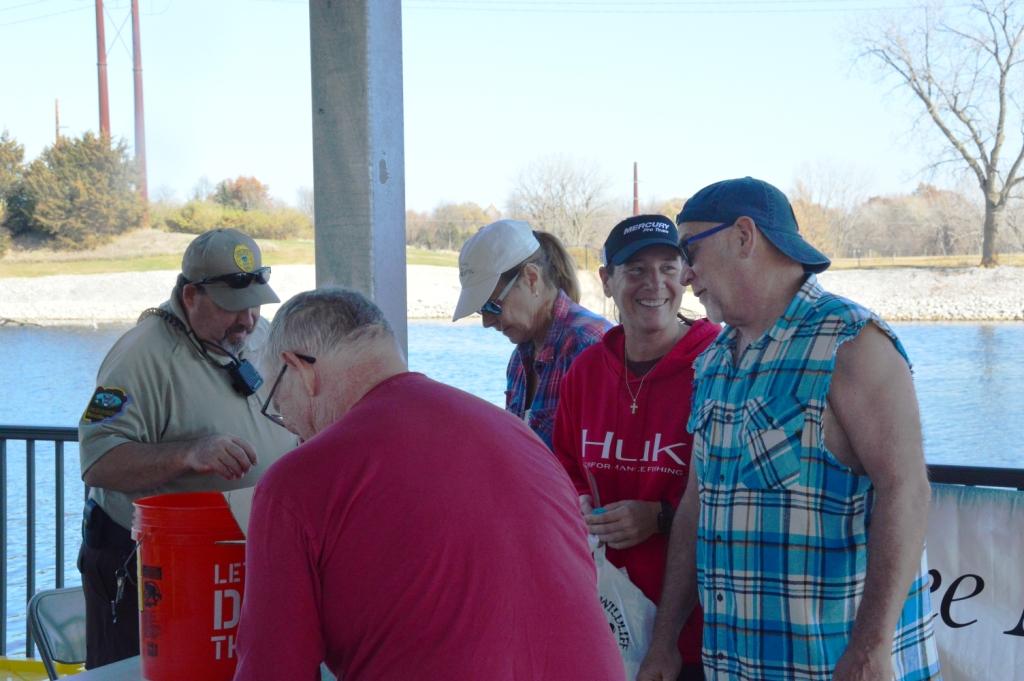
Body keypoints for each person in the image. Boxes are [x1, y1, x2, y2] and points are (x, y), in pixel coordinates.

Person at [234, 287, 623, 681]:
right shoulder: (520, 436)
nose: (292, 429)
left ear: (299, 369)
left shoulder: (296, 482)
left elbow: (273, 669)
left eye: (279, 406)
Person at [638, 177, 941, 681]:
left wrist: (871, 650)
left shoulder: (851, 341)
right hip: (736, 666)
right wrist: (665, 639)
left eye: (690, 250)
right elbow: (696, 505)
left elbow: (906, 491)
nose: (686, 274)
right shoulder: (713, 360)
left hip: (838, 666)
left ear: (744, 236)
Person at [76, 228, 297, 669]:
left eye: (255, 303)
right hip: (148, 567)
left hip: (233, 558)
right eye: (231, 306)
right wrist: (189, 453)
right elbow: (97, 460)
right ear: (191, 295)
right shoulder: (138, 355)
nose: (247, 320)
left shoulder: (259, 333)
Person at [553, 214, 719, 680]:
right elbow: (564, 467)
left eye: (668, 268)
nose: (655, 283)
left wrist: (659, 517)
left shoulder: (716, 364)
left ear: (687, 276)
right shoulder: (586, 371)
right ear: (607, 280)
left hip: (696, 634)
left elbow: (733, 497)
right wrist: (578, 502)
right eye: (636, 269)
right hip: (605, 616)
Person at [452, 219, 611, 448]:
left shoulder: (590, 346)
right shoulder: (520, 357)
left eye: (492, 306)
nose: (486, 322)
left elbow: (603, 459)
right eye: (480, 310)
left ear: (531, 278)